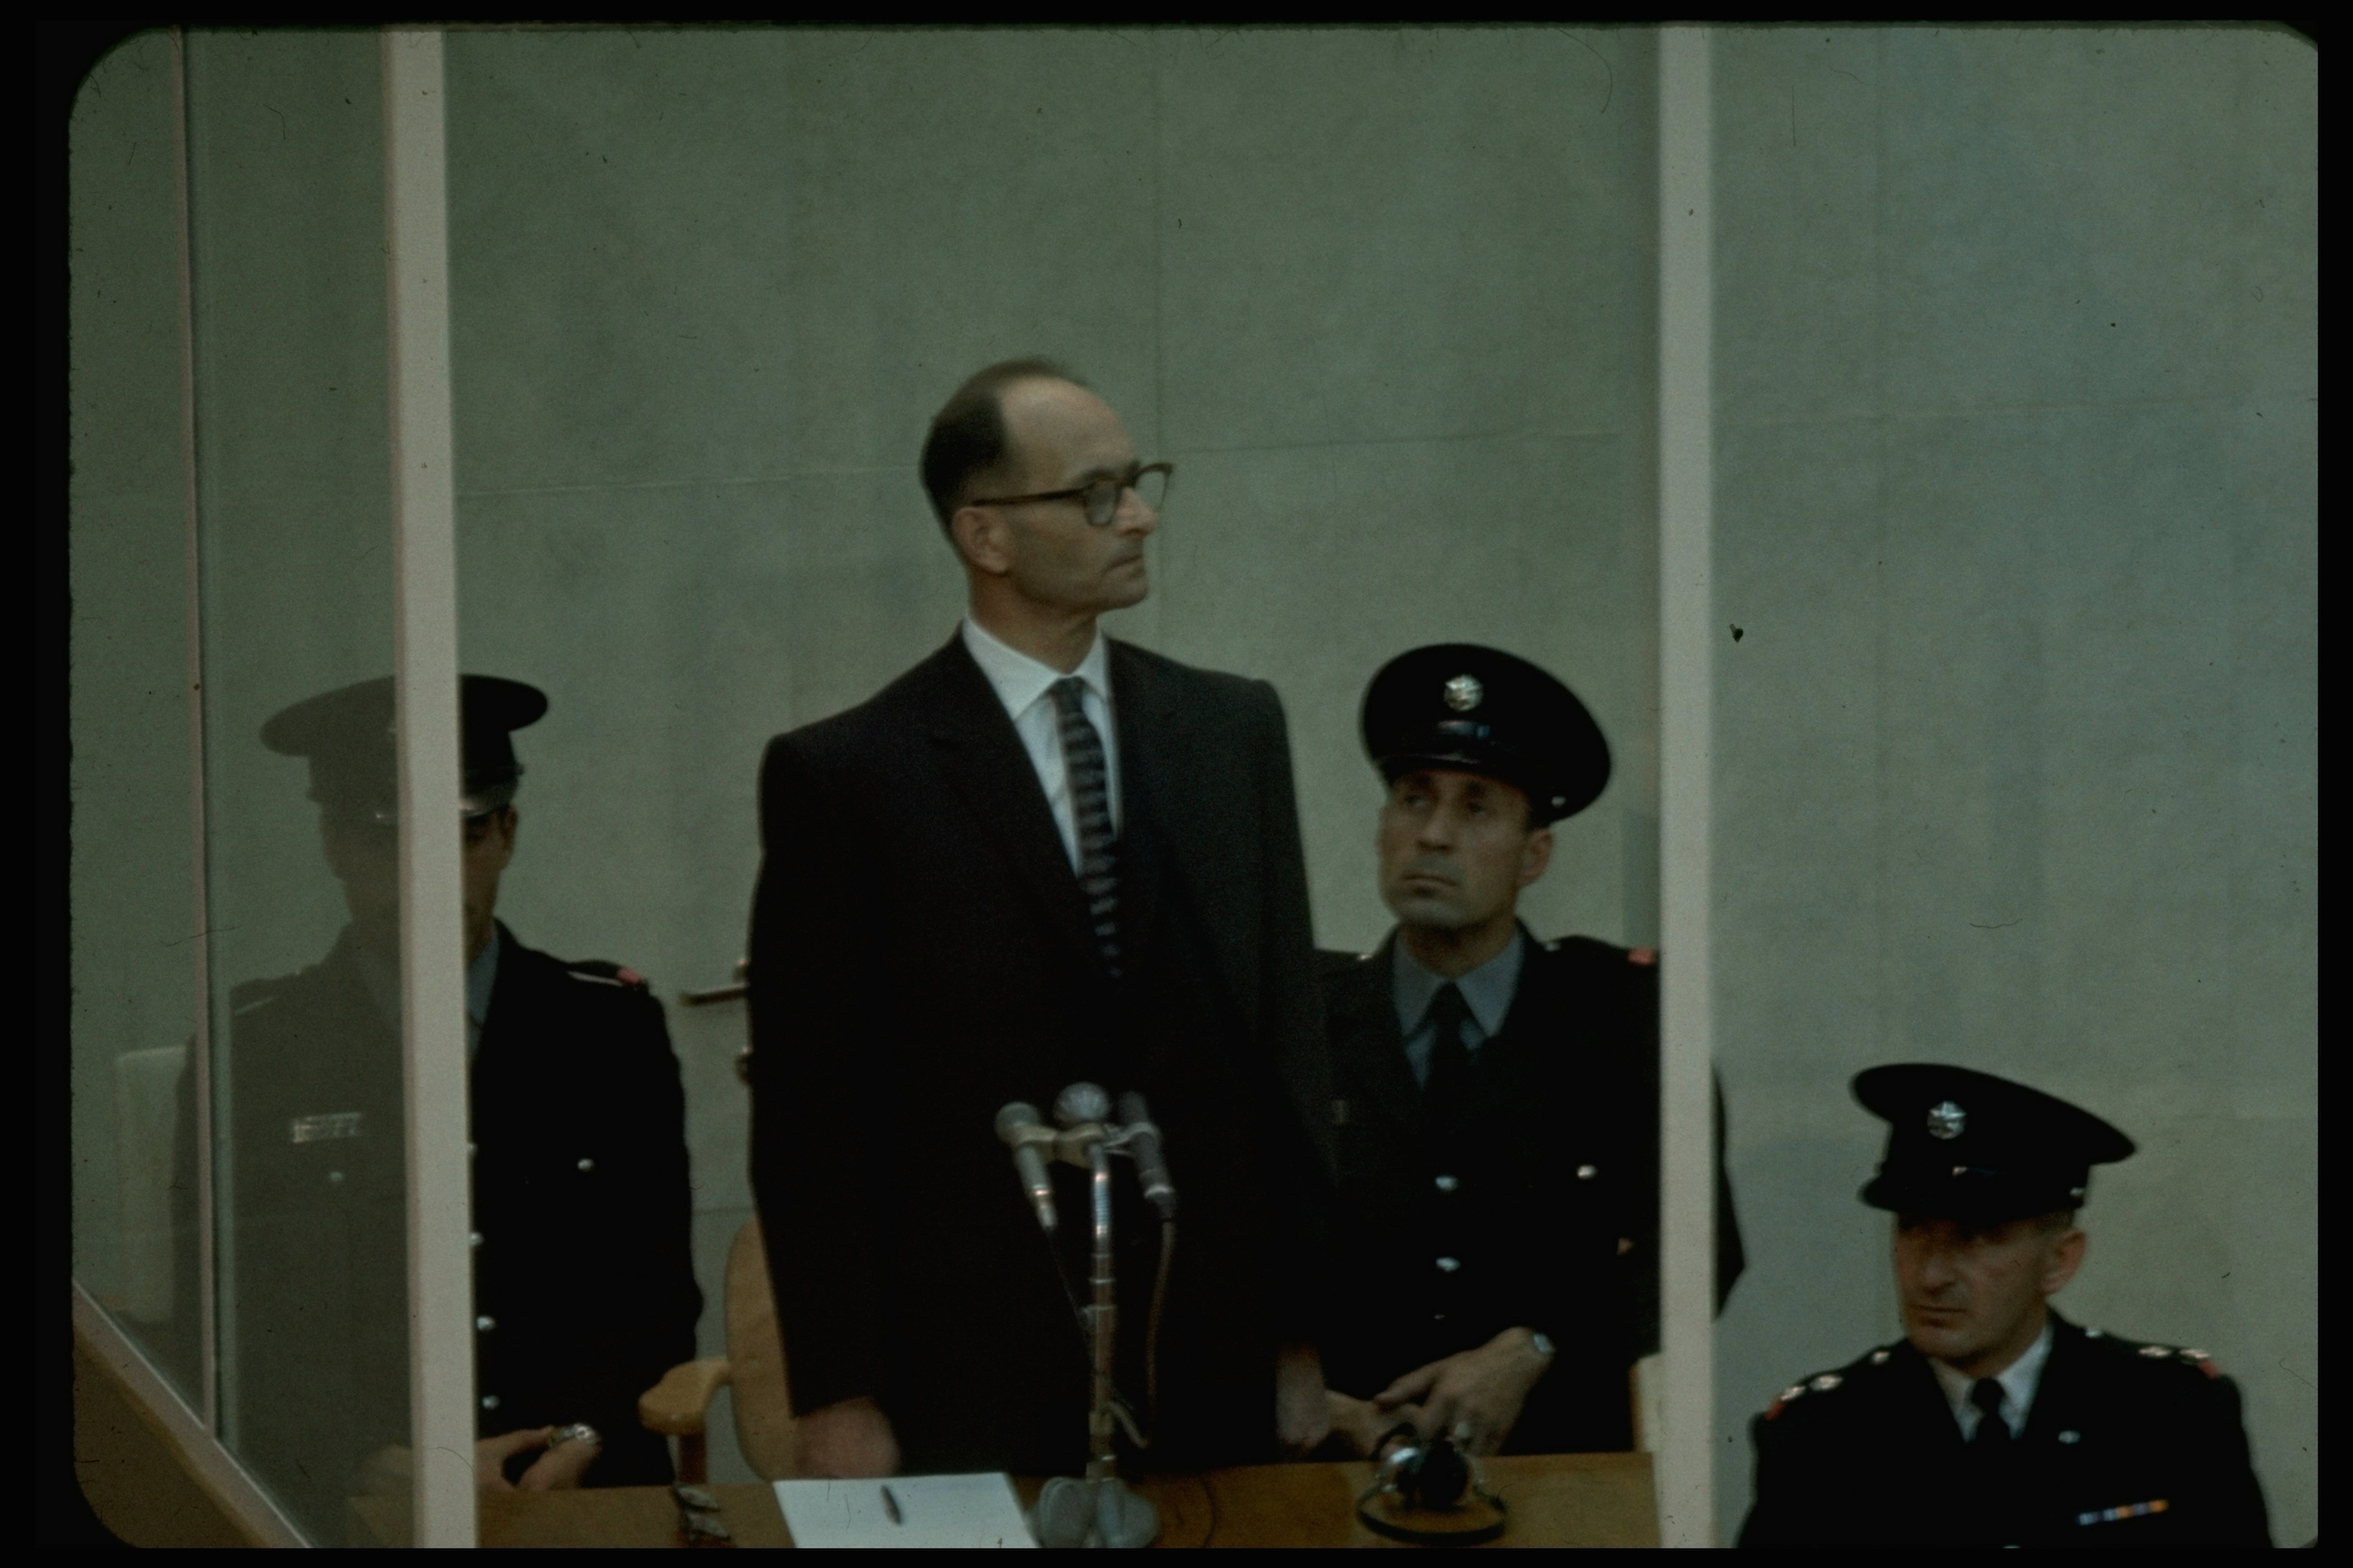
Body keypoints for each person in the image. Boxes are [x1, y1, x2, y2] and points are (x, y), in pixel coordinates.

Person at [746, 358, 1337, 1480]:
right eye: (1097, 494)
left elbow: (1286, 1053)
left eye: (1139, 482)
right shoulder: (848, 777)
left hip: (1207, 1356)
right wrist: (838, 1393)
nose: (1140, 516)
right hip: (967, 1372)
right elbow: (810, 1124)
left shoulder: (1229, 731)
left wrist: (1297, 1335)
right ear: (985, 535)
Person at [170, 676, 701, 1539]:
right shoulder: (258, 1048)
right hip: (352, 1498)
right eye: (386, 839)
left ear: (507, 833)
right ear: (333, 844)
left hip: (576, 1480)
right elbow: (225, 1315)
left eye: (463, 835)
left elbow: (657, 1292)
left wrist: (579, 1437)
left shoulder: (607, 1030)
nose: (427, 875)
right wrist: (363, 1459)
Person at [1314, 644, 1744, 1459]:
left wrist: (1537, 1345)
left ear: (1533, 854)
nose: (1432, 834)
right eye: (1413, 798)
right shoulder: (1304, 1017)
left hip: (1554, 1468)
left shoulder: (1623, 1019)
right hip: (1333, 1466)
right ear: (1380, 827)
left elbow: (1702, 1254)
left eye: (1475, 808)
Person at [1737, 1063, 2272, 1546]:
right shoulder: (1822, 1437)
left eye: (1972, 1237)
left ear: (2058, 1261)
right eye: (1912, 1229)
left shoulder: (2169, 1416)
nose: (1930, 1276)